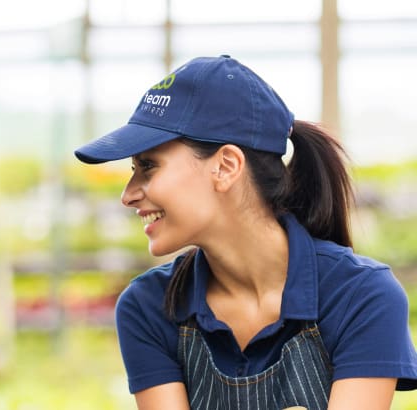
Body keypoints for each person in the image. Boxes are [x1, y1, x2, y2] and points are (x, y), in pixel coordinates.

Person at [74, 55, 417, 409]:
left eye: (147, 167)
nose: (128, 194)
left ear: (226, 166)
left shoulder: (361, 296)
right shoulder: (148, 306)